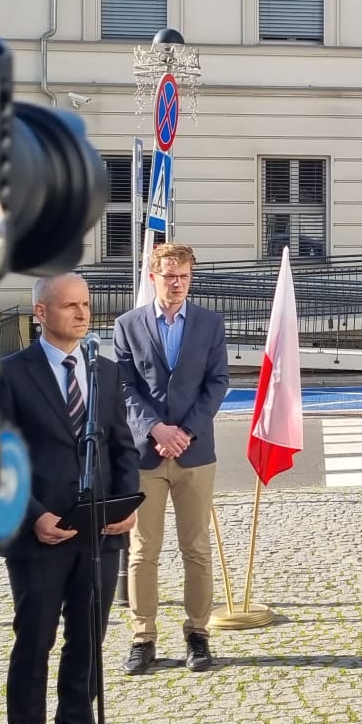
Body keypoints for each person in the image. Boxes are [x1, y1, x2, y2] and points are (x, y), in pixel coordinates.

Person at [0, 273, 140, 724]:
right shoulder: (10, 374)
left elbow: (122, 447)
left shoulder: (105, 370)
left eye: (86, 305)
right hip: (39, 535)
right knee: (35, 642)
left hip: (99, 531)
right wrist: (32, 515)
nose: (81, 314)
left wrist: (127, 504)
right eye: (69, 305)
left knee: (88, 640)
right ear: (40, 313)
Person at [114, 242, 231, 675]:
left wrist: (185, 432)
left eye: (183, 276)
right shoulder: (128, 325)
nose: (177, 283)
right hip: (145, 454)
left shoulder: (209, 324)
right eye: (169, 276)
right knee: (142, 551)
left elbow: (217, 382)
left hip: (194, 453)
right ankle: (143, 637)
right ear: (153, 277)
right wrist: (155, 428)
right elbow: (124, 386)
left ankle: (197, 634)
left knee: (196, 548)